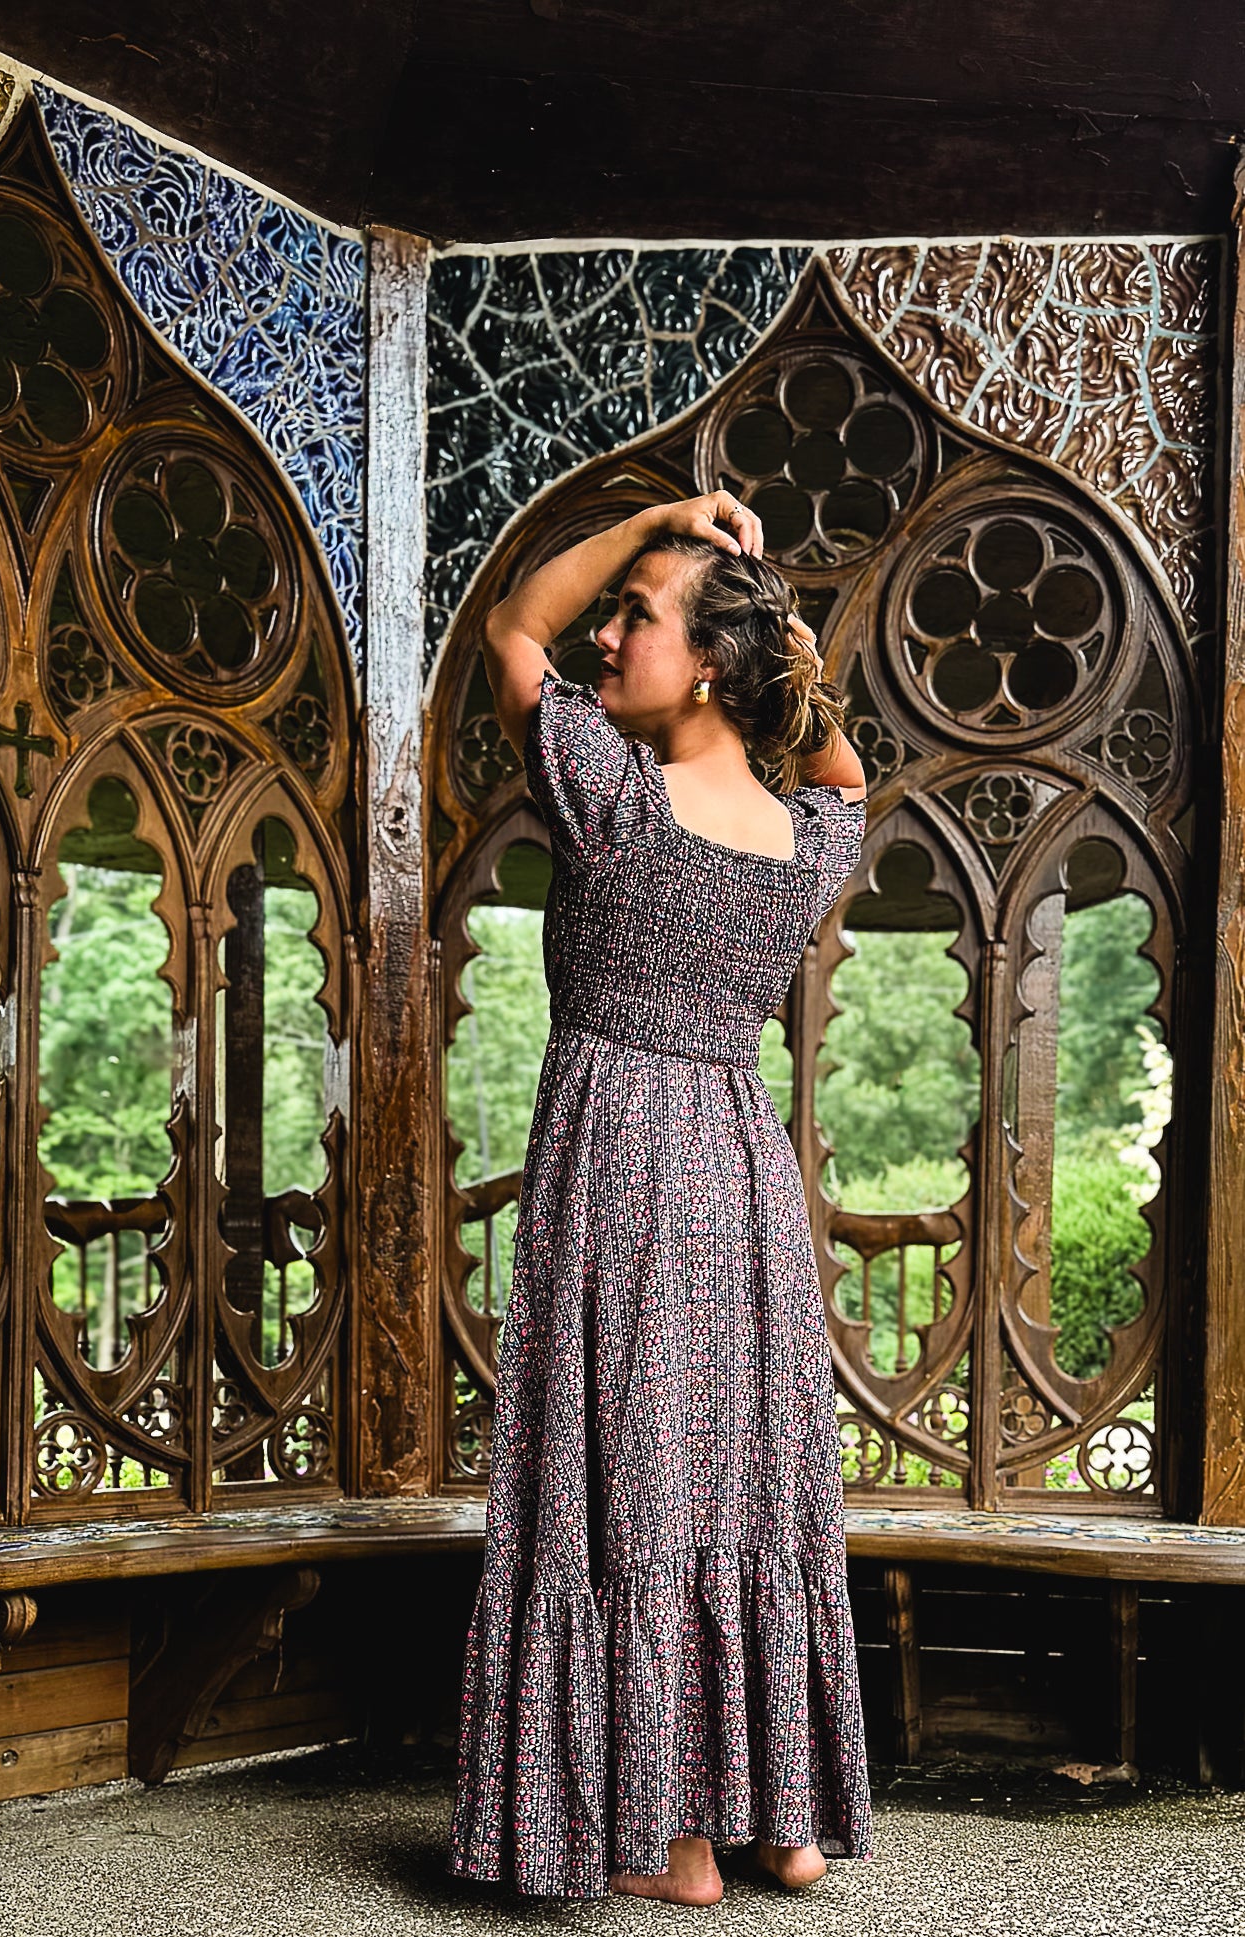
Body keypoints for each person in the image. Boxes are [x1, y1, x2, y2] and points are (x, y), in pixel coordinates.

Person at [447, 490, 875, 1905]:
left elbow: (512, 623)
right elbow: (846, 773)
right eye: (614, 604)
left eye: (636, 615)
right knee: (745, 1472)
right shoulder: (800, 841)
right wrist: (772, 646)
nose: (605, 631)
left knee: (632, 1471)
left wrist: (647, 516)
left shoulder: (613, 800)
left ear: (701, 665)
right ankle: (783, 1818)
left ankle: (676, 1838)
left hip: (623, 1152)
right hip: (741, 1167)